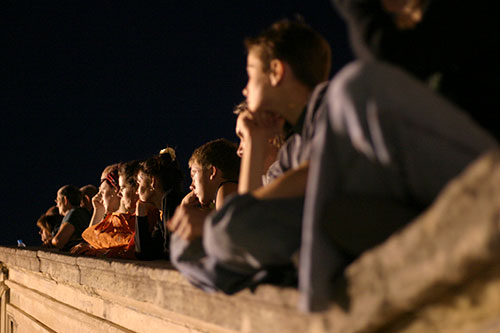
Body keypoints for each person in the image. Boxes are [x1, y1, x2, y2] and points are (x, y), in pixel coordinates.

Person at [298, 60, 498, 311]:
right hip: (421, 183)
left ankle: (317, 296)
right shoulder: (288, 148)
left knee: (356, 85)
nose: (244, 90)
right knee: (337, 215)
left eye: (250, 73)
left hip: (482, 166)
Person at [170, 19, 331, 292]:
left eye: (250, 73)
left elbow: (324, 170)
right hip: (288, 241)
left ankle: (247, 269)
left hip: (327, 229)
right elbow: (246, 215)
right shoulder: (294, 148)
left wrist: (214, 227)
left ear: (277, 71)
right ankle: (257, 270)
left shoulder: (331, 104)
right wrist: (255, 140)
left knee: (224, 233)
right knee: (181, 244)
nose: (245, 88)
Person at [331, 0, 500, 139]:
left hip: (487, 156)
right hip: (467, 159)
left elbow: (391, 68)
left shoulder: (464, 10)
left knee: (350, 86)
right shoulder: (420, 26)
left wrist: (358, 5)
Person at [169, 139, 239, 257]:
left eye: (194, 175)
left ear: (212, 172)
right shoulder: (225, 193)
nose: (191, 186)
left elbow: (221, 249)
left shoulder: (226, 189)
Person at [72, 161, 141, 258]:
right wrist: (98, 211)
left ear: (116, 188)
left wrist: (101, 251)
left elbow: (132, 246)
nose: (97, 197)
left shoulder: (132, 218)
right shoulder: (115, 219)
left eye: (102, 191)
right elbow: (90, 238)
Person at [134, 147, 183, 260]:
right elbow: (144, 253)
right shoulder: (162, 212)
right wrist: (140, 214)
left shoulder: (172, 200)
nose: (137, 190)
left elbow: (171, 252)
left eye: (139, 182)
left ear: (152, 181)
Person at [234, 101, 284, 192]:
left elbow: (245, 204)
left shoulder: (286, 181)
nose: (239, 151)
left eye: (244, 137)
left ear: (270, 135)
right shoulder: (266, 181)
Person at [45, 185, 91, 250]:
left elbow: (59, 241)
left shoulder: (73, 214)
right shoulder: (83, 213)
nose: (57, 205)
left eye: (57, 200)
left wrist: (51, 241)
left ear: (65, 200)